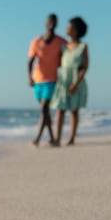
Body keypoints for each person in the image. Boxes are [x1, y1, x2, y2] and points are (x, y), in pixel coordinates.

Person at [27, 14, 67, 147]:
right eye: (50, 21)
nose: (52, 23)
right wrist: (29, 77)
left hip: (52, 79)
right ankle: (52, 138)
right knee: (45, 111)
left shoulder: (61, 42)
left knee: (44, 108)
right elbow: (30, 61)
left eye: (55, 21)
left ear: (57, 24)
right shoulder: (36, 42)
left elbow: (66, 58)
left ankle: (38, 138)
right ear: (45, 23)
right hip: (38, 79)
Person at [52, 16, 89, 146]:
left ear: (76, 30)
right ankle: (57, 138)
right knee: (60, 109)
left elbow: (85, 67)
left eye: (69, 27)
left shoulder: (83, 47)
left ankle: (71, 138)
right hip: (63, 80)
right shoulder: (64, 46)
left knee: (74, 110)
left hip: (76, 80)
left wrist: (76, 83)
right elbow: (58, 63)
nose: (67, 29)